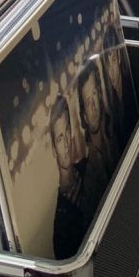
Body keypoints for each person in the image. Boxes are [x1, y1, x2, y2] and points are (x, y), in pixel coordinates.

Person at [49, 95, 88, 259]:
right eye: (59, 139)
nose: (66, 144)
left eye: (67, 132)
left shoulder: (89, 166)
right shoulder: (60, 226)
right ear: (53, 150)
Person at [77, 60, 116, 224]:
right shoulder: (88, 179)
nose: (93, 105)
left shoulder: (114, 135)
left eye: (94, 94)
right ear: (84, 115)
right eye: (87, 101)